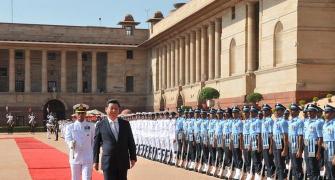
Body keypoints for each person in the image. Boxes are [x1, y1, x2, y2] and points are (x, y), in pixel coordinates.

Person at [93, 99, 137, 180]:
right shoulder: (100, 125)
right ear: (106, 109)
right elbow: (96, 144)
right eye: (111, 108)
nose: (114, 110)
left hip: (122, 160)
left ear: (119, 110)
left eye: (116, 109)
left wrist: (133, 157)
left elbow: (130, 141)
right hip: (108, 161)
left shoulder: (125, 124)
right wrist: (95, 161)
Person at [65, 104, 95, 180]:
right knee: (75, 178)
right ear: (75, 114)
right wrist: (71, 143)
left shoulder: (91, 126)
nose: (80, 115)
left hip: (87, 157)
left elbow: (93, 141)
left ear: (85, 114)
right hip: (75, 157)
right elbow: (67, 139)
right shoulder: (70, 127)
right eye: (79, 113)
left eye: (82, 113)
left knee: (87, 178)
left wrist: (93, 155)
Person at [288, 103, 304, 180]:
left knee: (297, 166)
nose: (292, 111)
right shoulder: (290, 121)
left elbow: (300, 136)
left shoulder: (299, 121)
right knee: (294, 166)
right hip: (291, 146)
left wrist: (299, 150)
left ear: (298, 112)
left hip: (296, 146)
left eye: (294, 110)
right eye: (291, 110)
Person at [323, 104, 335, 179]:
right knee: (328, 170)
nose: (325, 114)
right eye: (325, 112)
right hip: (326, 150)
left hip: (333, 151)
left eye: (327, 112)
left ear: (333, 113)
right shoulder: (325, 124)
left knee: (333, 171)